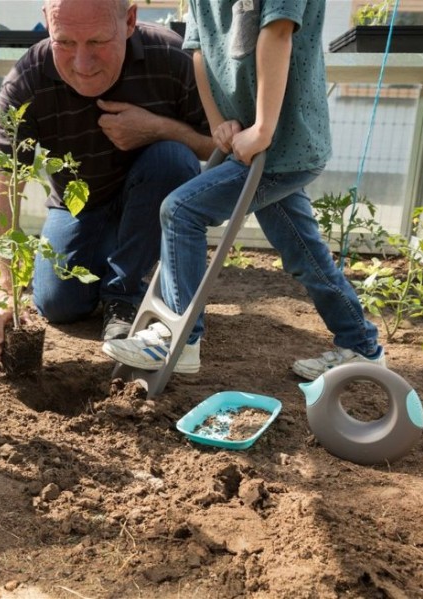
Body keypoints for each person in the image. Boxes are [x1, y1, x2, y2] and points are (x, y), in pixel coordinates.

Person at [103, 0, 385, 379]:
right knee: (303, 251)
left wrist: (264, 128)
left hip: (286, 143)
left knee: (182, 210)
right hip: (254, 146)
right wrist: (218, 122)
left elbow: (278, 31)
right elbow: (199, 51)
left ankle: (179, 341)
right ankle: (362, 345)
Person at [0, 0, 215, 361]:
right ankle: (122, 262)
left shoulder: (172, 57)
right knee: (57, 304)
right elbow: (2, 191)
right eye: (65, 42)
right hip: (79, 206)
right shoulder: (27, 81)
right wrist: (4, 294)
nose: (81, 64)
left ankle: (124, 295)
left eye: (97, 42)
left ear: (130, 21)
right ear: (47, 22)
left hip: (151, 197)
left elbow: (217, 146)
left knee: (173, 158)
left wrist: (157, 128)